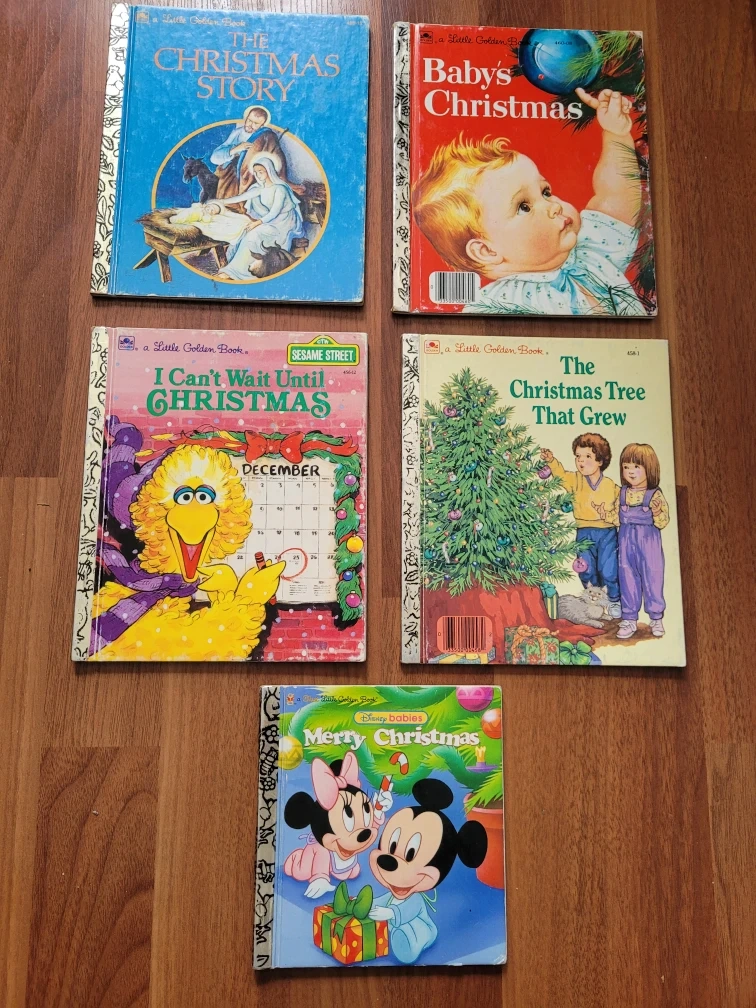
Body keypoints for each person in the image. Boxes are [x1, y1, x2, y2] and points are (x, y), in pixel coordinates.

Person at [412, 88, 646, 315]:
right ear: (486, 250)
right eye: (524, 207)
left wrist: (616, 134)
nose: (554, 206)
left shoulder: (588, 252)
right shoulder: (497, 305)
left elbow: (616, 198)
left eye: (545, 192)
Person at [541, 434, 622, 618]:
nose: (581, 461)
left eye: (587, 456)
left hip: (607, 533)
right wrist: (551, 461)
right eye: (578, 456)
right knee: (586, 569)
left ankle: (613, 599)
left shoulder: (610, 485)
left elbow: (622, 505)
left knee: (608, 570)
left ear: (600, 460)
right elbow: (560, 475)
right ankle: (591, 601)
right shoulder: (575, 480)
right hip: (584, 532)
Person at [611, 443, 669, 639]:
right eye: (626, 467)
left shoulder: (654, 494)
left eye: (636, 466)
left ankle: (656, 617)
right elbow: (614, 518)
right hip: (626, 543)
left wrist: (658, 512)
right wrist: (604, 513)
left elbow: (663, 522)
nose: (630, 471)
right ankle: (629, 618)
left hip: (649, 545)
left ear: (649, 468)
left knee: (653, 578)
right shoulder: (622, 493)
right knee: (627, 578)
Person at [214, 156, 304, 280]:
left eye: (260, 172)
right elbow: (240, 197)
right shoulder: (259, 188)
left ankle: (236, 272)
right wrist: (220, 202)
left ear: (269, 171)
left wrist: (256, 224)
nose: (257, 175)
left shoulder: (280, 189)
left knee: (254, 235)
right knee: (244, 232)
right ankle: (236, 266)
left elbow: (274, 213)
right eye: (255, 172)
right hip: (268, 222)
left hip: (283, 224)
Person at [209, 105, 289, 199]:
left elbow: (276, 157)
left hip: (254, 176)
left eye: (256, 123)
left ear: (262, 125)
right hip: (232, 173)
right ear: (246, 118)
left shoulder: (266, 136)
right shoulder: (237, 133)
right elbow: (214, 158)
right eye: (249, 120)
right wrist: (236, 149)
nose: (251, 125)